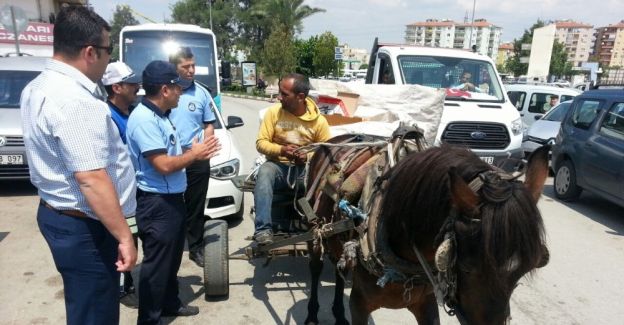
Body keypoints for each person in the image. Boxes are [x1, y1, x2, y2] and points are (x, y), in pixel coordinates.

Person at [20, 6, 137, 325]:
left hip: (61, 215)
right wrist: (125, 237)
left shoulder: (38, 86)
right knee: (96, 312)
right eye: (107, 52)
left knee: (85, 306)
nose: (107, 61)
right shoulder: (75, 101)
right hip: (86, 226)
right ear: (90, 52)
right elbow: (91, 179)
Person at [126, 60, 220, 325]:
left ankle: (169, 304)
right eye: (177, 88)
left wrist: (191, 151)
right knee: (156, 267)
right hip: (157, 203)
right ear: (165, 90)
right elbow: (164, 165)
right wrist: (195, 154)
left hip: (171, 199)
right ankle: (149, 320)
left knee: (170, 262)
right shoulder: (144, 119)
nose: (182, 92)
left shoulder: (160, 116)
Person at [253, 73, 331, 244]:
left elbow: (325, 151)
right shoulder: (274, 113)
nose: (279, 97)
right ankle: (263, 230)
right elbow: (261, 143)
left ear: (300, 97)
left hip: (307, 172)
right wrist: (282, 150)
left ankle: (320, 225)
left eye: (284, 94)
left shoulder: (320, 122)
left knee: (330, 183)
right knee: (265, 172)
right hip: (279, 168)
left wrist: (307, 156)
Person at [168, 47, 217, 268]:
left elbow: (209, 124)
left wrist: (205, 144)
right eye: (185, 67)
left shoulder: (202, 93)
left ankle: (195, 247)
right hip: (170, 160)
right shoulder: (166, 92)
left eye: (193, 66)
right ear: (174, 68)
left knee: (196, 205)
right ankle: (172, 246)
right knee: (171, 206)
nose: (191, 70)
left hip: (197, 158)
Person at [101, 61, 141, 308]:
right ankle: (121, 288)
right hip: (117, 195)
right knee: (122, 240)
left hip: (136, 192)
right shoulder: (106, 117)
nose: (137, 86)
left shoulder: (134, 111)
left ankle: (128, 282)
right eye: (131, 83)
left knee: (133, 237)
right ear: (116, 87)